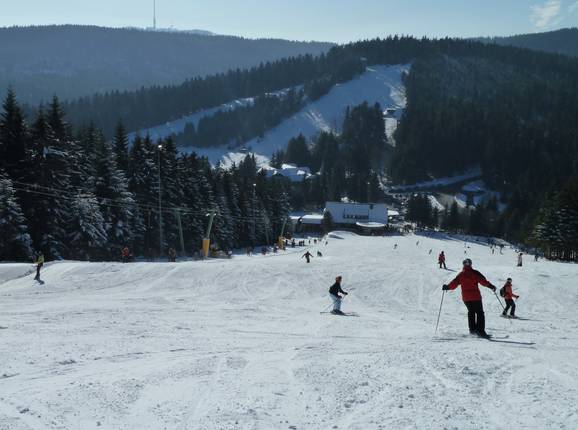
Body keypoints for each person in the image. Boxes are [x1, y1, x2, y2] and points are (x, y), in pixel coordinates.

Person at [442, 258, 497, 338]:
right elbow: (483, 281)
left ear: (463, 264)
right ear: (470, 264)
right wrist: (491, 286)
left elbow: (454, 283)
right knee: (480, 313)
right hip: (475, 297)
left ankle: (472, 331)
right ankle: (480, 331)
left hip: (466, 298)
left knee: (471, 312)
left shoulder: (461, 274)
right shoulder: (475, 273)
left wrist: (447, 287)